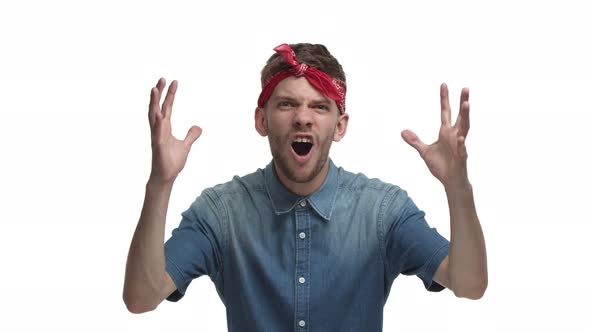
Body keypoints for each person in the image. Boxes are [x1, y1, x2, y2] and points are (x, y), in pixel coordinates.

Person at [123, 43, 487, 331]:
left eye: (319, 106)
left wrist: (458, 188)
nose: (302, 117)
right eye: (286, 104)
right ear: (261, 119)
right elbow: (141, 297)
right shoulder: (221, 213)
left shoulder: (382, 210)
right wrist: (160, 183)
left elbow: (469, 284)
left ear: (340, 126)